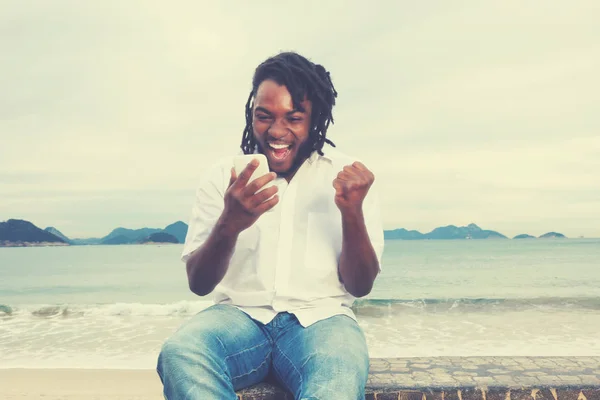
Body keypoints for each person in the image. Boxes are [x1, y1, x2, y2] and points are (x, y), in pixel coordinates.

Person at [157, 51, 384, 400]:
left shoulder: (349, 178)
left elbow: (361, 285)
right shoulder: (224, 176)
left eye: (294, 118)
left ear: (314, 118)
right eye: (264, 117)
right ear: (251, 115)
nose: (277, 131)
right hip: (238, 319)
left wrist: (351, 212)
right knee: (181, 354)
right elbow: (199, 285)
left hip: (322, 320)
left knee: (337, 377)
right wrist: (228, 225)